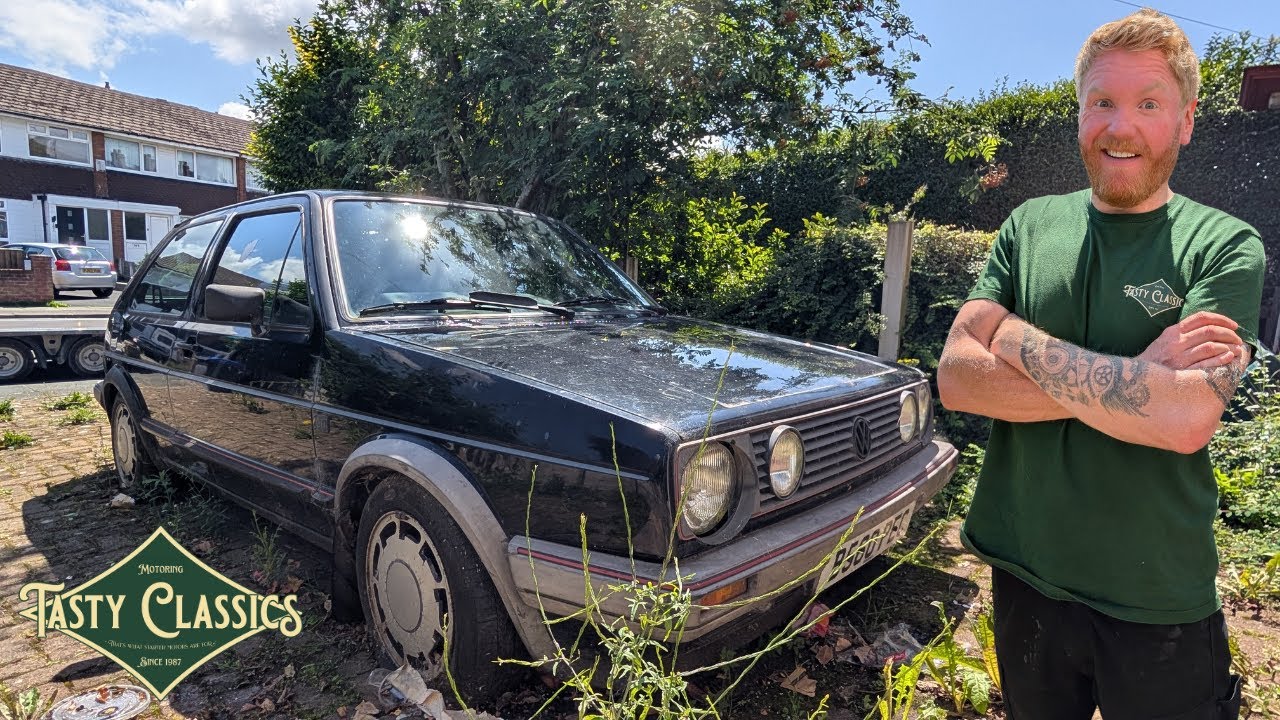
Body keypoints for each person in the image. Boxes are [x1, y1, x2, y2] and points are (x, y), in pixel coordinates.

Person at [936, 8, 1266, 720]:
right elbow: (957, 379)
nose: (1121, 127)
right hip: (1025, 575)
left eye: (1149, 103)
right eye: (1103, 102)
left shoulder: (1224, 245)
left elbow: (1183, 418)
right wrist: (1133, 380)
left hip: (1157, 598)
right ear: (1079, 112)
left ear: (1185, 120)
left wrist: (1013, 338)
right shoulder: (1029, 225)